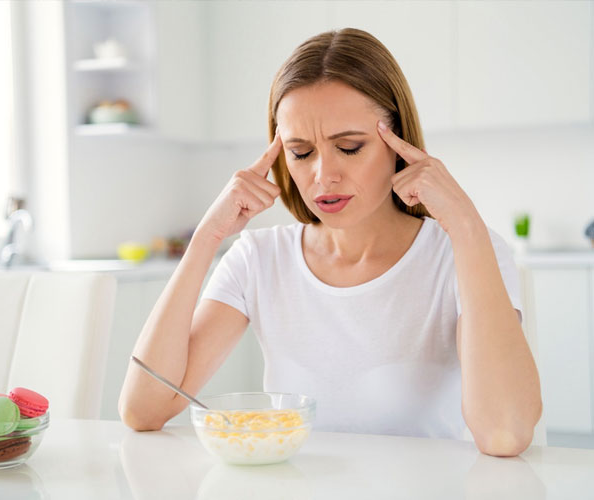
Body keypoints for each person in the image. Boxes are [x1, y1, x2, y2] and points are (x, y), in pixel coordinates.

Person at [118, 28, 542, 457]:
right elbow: (143, 409)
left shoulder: (461, 252)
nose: (323, 175)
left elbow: (504, 435)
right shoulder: (259, 260)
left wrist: (465, 225)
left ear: (399, 143)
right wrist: (206, 239)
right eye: (301, 153)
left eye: (349, 147)